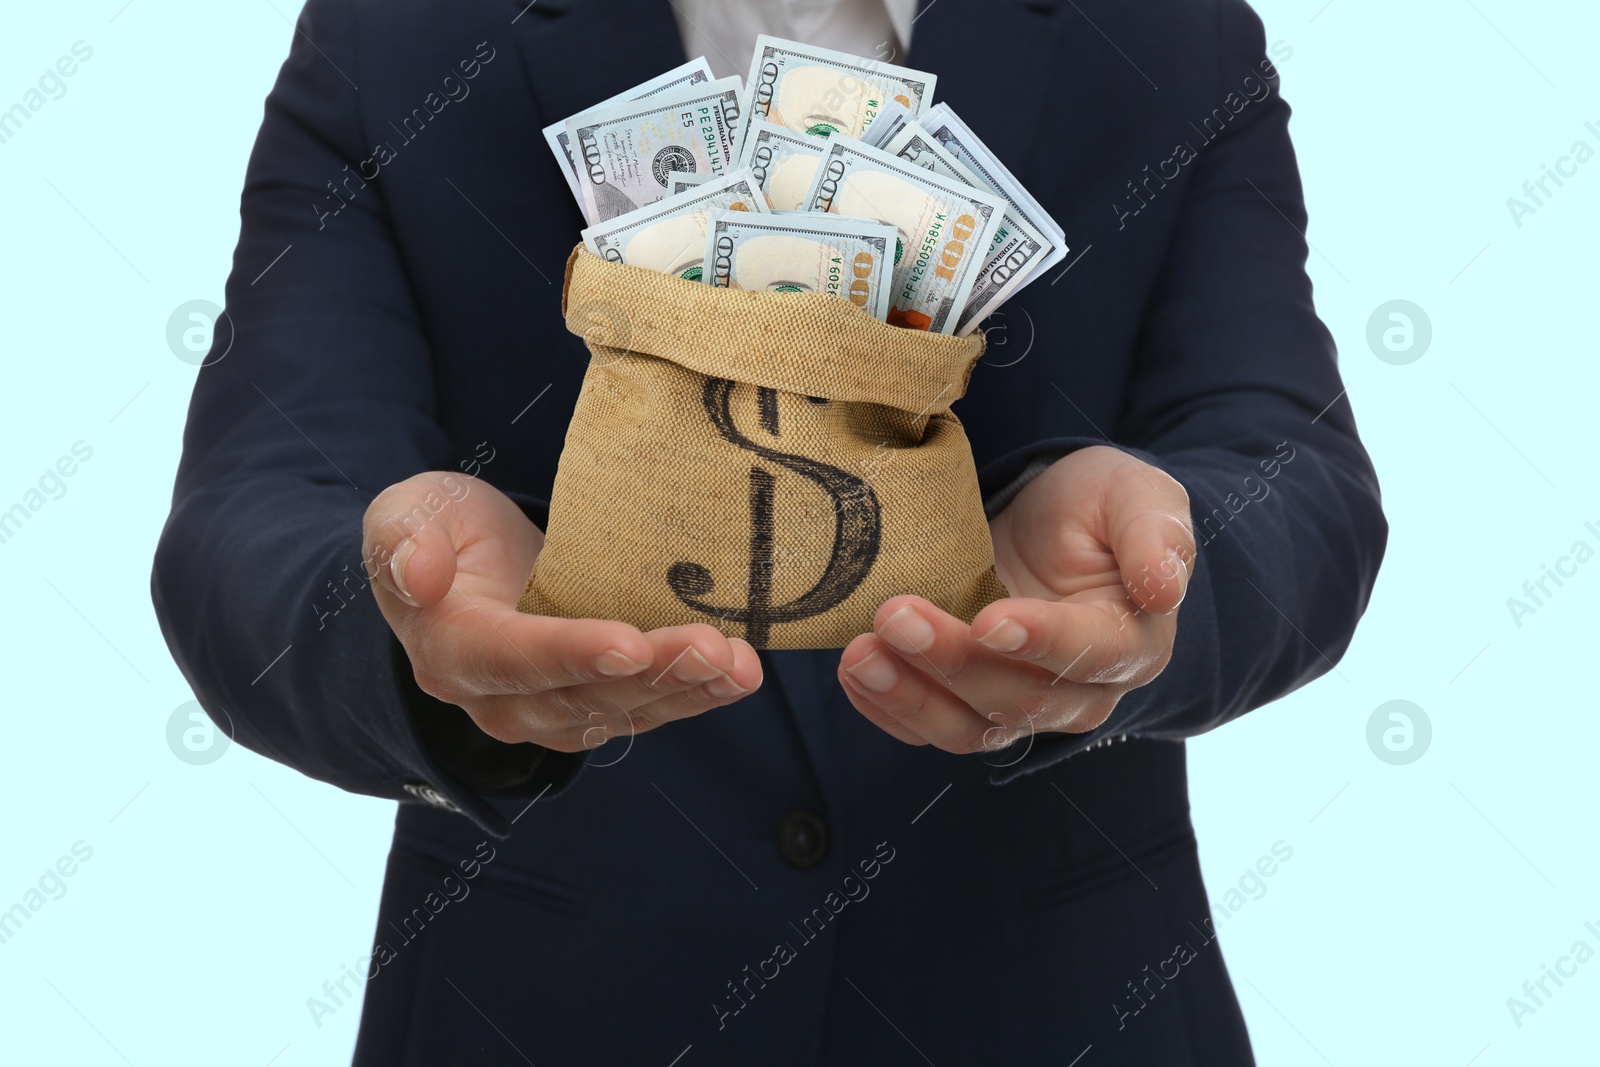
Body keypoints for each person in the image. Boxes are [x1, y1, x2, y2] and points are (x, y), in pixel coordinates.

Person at [152, 0, 1386, 1062]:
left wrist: (1157, 578)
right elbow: (249, 519)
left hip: (1056, 999)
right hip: (543, 1010)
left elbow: (1295, 468)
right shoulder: (397, 34)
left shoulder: (1169, 32)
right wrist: (409, 621)